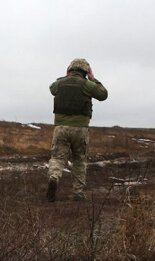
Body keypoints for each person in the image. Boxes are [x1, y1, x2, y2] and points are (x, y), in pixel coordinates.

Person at [46, 58, 107, 202]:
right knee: (79, 160)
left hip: (60, 128)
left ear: (70, 69)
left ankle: (54, 178)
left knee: (57, 158)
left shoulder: (59, 84)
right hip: (80, 129)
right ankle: (78, 192)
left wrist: (66, 77)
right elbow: (103, 95)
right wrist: (94, 79)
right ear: (85, 71)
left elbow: (51, 88)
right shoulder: (87, 84)